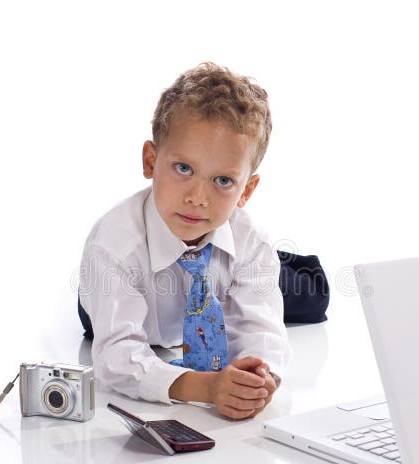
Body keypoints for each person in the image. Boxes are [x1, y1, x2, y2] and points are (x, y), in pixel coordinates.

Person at [78, 62, 289, 419]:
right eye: (184, 169)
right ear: (151, 160)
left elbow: (264, 334)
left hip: (218, 276)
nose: (197, 198)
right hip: (121, 297)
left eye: (223, 181)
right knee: (105, 316)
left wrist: (258, 377)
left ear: (246, 190)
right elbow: (116, 357)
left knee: (307, 294)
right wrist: (205, 387)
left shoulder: (252, 241)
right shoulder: (112, 246)